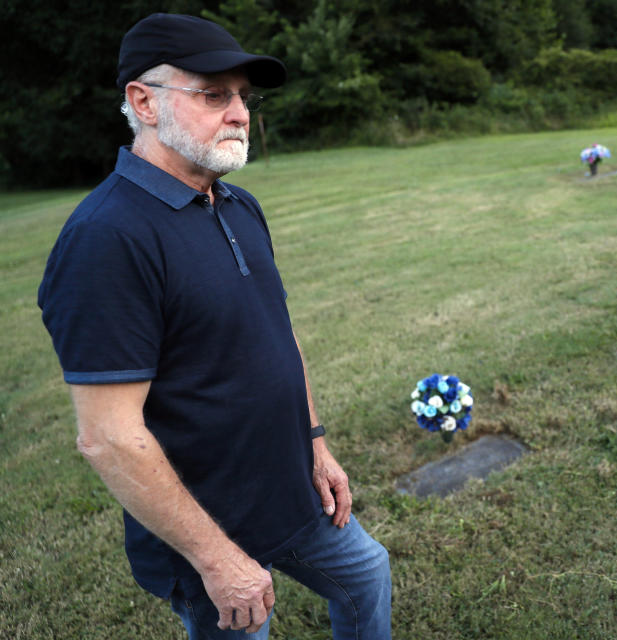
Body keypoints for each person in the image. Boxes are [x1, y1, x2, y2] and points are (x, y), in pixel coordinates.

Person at [37, 13, 391, 639]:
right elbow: (108, 437)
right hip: (210, 530)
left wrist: (314, 442)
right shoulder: (107, 239)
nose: (239, 113)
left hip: (291, 497)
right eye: (212, 94)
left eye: (242, 97)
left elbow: (279, 336)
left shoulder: (235, 202)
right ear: (143, 102)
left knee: (367, 575)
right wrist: (218, 559)